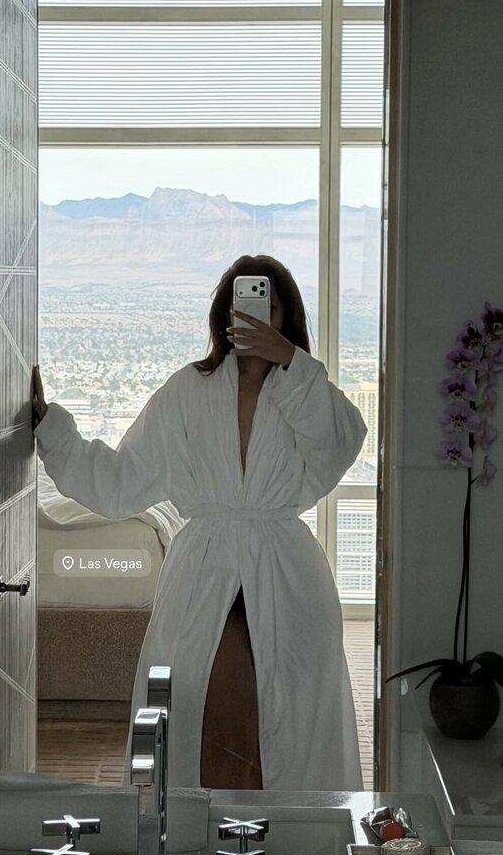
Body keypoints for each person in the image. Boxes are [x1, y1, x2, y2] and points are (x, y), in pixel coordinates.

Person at [32, 254, 368, 791]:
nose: (253, 316)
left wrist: (290, 362)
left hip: (287, 572)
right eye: (241, 304)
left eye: (268, 306)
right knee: (194, 712)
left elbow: (342, 442)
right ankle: (190, 834)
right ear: (223, 315)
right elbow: (122, 480)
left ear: (287, 317)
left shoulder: (304, 389)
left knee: (293, 721)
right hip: (203, 568)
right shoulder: (189, 390)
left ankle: (294, 836)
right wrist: (53, 432)